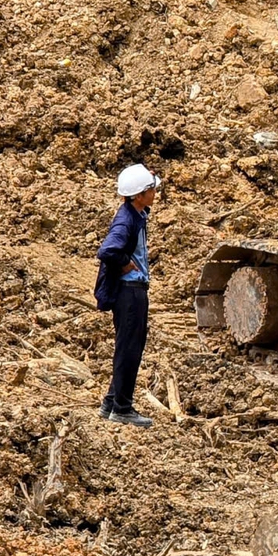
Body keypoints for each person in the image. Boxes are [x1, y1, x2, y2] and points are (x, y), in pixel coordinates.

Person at [95, 163, 159, 427]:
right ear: (139, 195)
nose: (155, 193)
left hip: (133, 291)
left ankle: (112, 402)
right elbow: (107, 250)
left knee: (129, 347)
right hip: (129, 292)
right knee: (129, 350)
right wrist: (124, 263)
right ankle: (122, 408)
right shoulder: (126, 220)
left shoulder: (136, 214)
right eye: (151, 189)